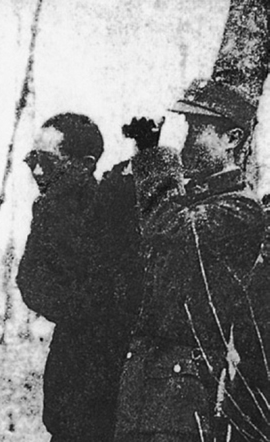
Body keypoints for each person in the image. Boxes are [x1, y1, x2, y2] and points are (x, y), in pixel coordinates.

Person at [116, 79, 270, 441]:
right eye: (185, 126)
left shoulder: (240, 208)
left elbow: (169, 226)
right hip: (145, 382)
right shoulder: (187, 196)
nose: (184, 140)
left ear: (232, 138)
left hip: (186, 389)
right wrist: (145, 157)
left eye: (197, 129)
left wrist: (156, 159)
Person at [17, 113, 144, 441]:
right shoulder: (47, 211)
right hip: (69, 374)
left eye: (48, 161)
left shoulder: (116, 209)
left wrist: (86, 304)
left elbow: (122, 294)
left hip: (113, 374)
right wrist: (82, 305)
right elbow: (30, 282)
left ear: (85, 165)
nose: (38, 172)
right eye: (32, 160)